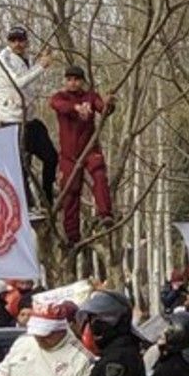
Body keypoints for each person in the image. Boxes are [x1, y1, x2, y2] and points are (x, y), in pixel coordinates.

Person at [0, 26, 58, 210]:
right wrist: (41, 66)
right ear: (8, 42)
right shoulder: (3, 58)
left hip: (29, 118)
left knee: (51, 157)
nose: (17, 44)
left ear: (26, 41)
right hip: (12, 120)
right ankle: (27, 207)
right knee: (21, 168)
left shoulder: (23, 58)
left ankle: (47, 199)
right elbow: (18, 82)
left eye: (21, 40)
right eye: (13, 40)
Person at [50, 66, 115, 244]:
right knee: (70, 192)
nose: (73, 83)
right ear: (65, 81)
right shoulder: (59, 97)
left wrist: (109, 103)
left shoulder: (91, 96)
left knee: (99, 175)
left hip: (90, 149)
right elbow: (58, 106)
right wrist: (76, 108)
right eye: (69, 79)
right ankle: (72, 236)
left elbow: (103, 109)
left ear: (82, 81)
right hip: (68, 155)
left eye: (77, 79)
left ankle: (105, 214)